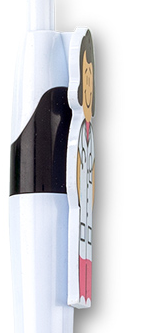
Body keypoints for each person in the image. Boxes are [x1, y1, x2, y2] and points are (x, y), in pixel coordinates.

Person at [74, 31, 95, 305]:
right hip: (79, 208)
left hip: (86, 207)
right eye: (85, 79)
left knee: (87, 248)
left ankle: (84, 291)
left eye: (90, 80)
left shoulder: (88, 131)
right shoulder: (78, 134)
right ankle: (80, 291)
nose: (88, 88)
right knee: (81, 246)